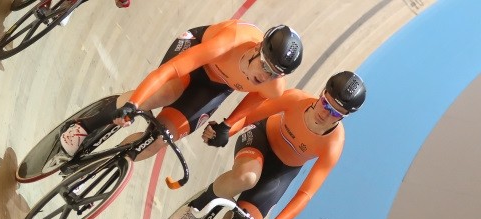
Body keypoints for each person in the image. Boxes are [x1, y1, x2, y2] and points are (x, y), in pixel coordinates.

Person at [166, 71, 366, 219]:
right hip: (261, 140)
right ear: (322, 92)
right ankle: (194, 209)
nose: (324, 113)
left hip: (280, 173)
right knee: (247, 178)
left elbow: (306, 193)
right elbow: (250, 116)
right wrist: (226, 130)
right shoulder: (296, 99)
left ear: (344, 116)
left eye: (333, 112)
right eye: (324, 102)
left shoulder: (333, 145)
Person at [58, 20, 303, 159]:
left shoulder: (273, 87)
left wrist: (228, 126)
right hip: (194, 55)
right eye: (263, 65)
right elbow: (170, 71)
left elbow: (257, 100)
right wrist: (135, 104)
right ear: (257, 48)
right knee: (166, 92)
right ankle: (85, 126)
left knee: (160, 139)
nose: (264, 75)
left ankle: (99, 166)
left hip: (214, 87)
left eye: (274, 73)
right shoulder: (231, 41)